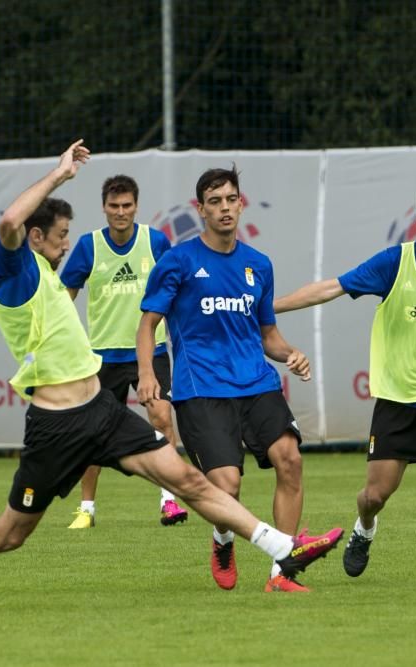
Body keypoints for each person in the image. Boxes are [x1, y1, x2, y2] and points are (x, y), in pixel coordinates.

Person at [0, 142, 343, 616]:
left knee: (189, 482)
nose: (67, 244)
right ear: (35, 238)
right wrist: (59, 174)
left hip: (102, 411)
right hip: (57, 425)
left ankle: (283, 550)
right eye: (61, 236)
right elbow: (7, 226)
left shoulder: (30, 262)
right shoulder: (15, 274)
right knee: (8, 534)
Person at [272, 180, 416, 578]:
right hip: (397, 395)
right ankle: (364, 528)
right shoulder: (394, 263)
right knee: (374, 495)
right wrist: (269, 307)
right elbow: (331, 288)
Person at [136, 166, 319, 593]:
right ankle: (223, 539)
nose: (224, 208)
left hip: (257, 383)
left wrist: (290, 354)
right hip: (202, 390)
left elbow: (267, 335)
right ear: (200, 209)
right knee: (227, 485)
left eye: (230, 200)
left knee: (290, 460)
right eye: (214, 202)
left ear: (241, 204)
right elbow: (148, 325)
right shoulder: (178, 262)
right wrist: (147, 374)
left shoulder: (259, 265)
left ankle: (282, 573)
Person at [60, 174, 187, 529]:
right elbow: (63, 299)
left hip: (152, 350)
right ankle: (86, 509)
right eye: (114, 206)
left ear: (136, 206)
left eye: (127, 205)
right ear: (104, 208)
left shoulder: (156, 241)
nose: (120, 212)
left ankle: (169, 500)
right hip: (101, 355)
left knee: (161, 416)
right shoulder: (89, 246)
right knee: (92, 433)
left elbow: (175, 288)